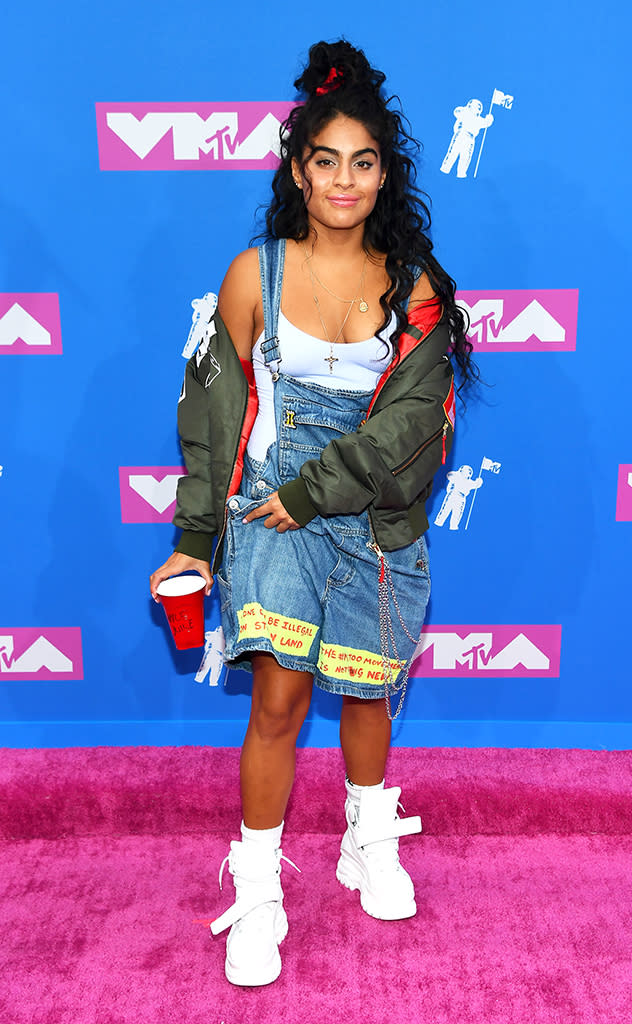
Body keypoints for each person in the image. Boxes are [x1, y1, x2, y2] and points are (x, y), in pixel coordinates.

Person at [150, 39, 476, 988]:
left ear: (386, 174)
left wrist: (310, 493)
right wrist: (193, 541)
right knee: (281, 698)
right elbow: (213, 419)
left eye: (363, 162)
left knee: (370, 694)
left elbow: (415, 433)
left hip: (375, 522)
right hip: (271, 521)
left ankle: (366, 840)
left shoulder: (416, 289)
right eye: (325, 160)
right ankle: (258, 890)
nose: (345, 180)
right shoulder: (256, 275)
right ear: (299, 169)